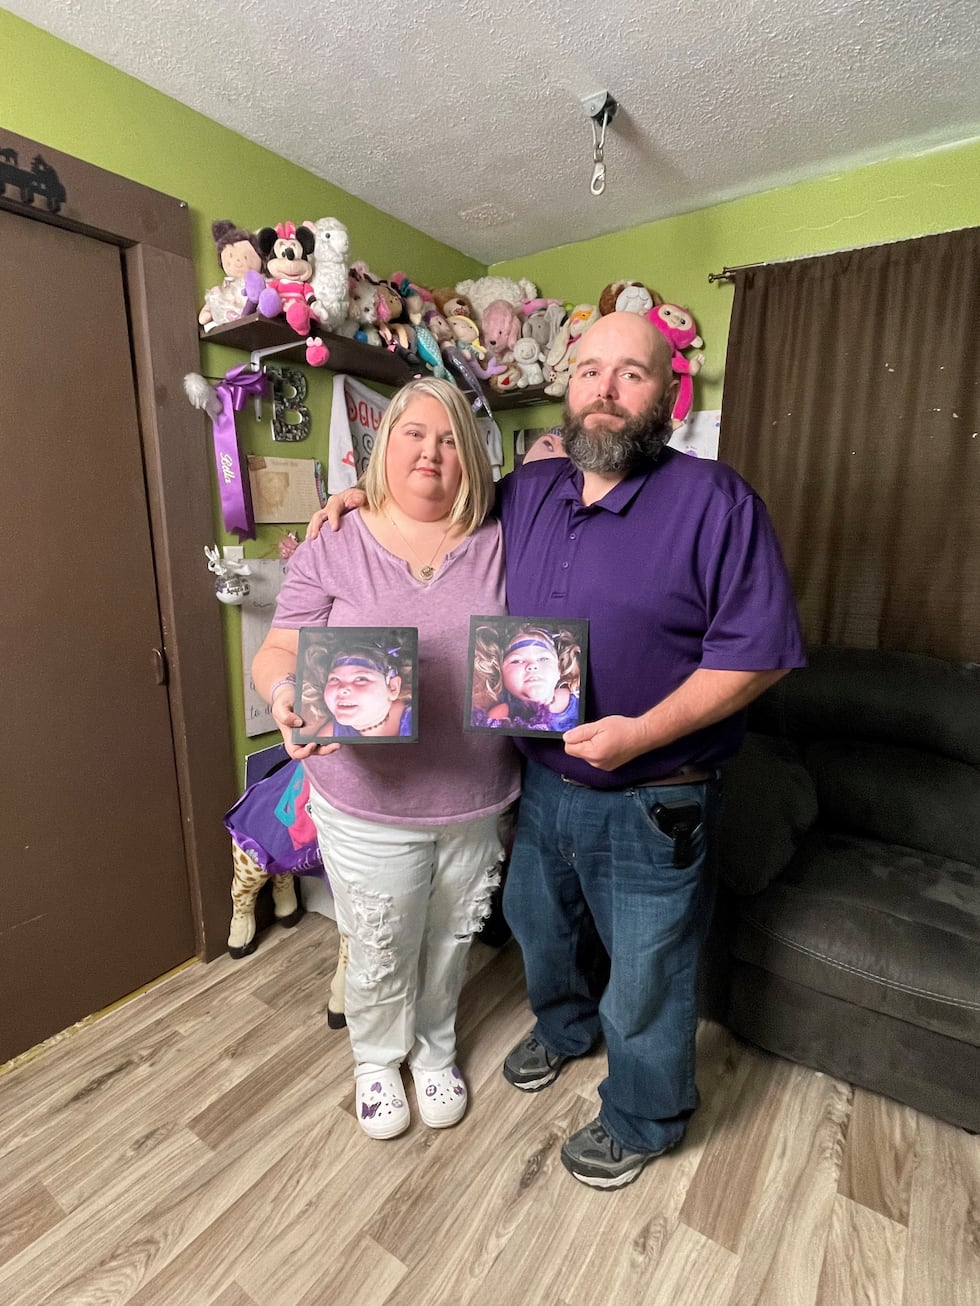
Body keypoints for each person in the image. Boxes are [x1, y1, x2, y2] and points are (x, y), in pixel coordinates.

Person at [312, 311, 805, 1187]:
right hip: (539, 782)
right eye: (589, 372)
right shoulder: (531, 492)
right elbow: (439, 498)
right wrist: (360, 501)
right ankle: (565, 1027)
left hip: (657, 794)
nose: (605, 392)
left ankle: (645, 1117)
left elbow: (758, 655)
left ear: (668, 394)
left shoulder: (716, 502)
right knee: (542, 929)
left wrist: (642, 733)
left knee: (648, 971)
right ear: (566, 386)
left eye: (632, 374)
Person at [254, 376, 520, 1141]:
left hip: (476, 797)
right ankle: (376, 1059)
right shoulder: (335, 540)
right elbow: (277, 649)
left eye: (447, 439)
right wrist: (282, 697)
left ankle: (435, 1049)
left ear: (470, 457)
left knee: (450, 937)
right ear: (384, 446)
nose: (430, 451)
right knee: (378, 938)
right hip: (365, 798)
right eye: (413, 434)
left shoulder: (504, 537)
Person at [471, 621, 580, 731]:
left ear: (559, 670)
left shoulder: (576, 698)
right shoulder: (500, 715)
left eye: (543, 659)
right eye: (516, 661)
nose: (532, 665)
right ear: (502, 674)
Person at [299, 637, 414, 739]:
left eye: (361, 679)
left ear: (393, 687)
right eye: (334, 679)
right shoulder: (330, 736)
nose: (341, 689)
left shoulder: (417, 722)